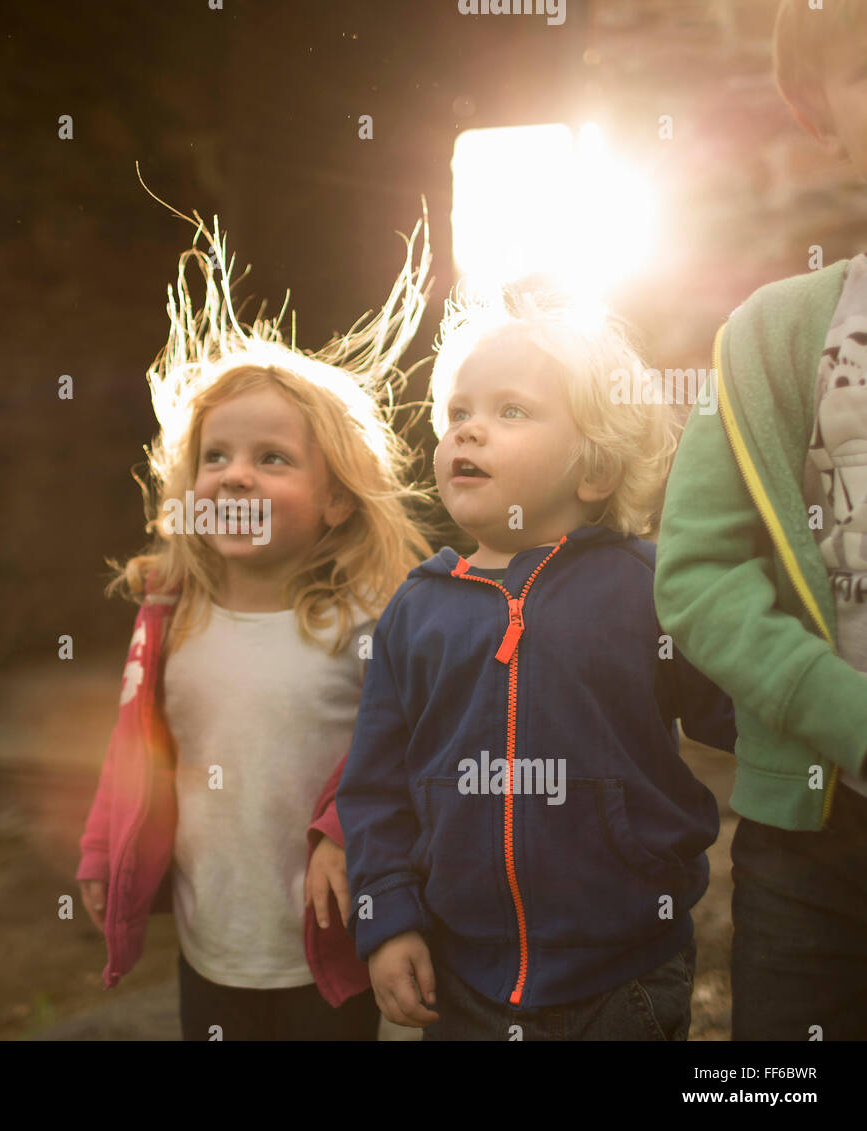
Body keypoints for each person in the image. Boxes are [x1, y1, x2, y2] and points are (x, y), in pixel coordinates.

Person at [76, 194, 442, 1039]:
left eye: (271, 459)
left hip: (326, 943)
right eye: (216, 457)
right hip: (213, 936)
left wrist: (349, 835)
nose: (235, 476)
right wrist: (103, 847)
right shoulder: (174, 614)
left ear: (338, 502)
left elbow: (403, 754)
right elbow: (135, 746)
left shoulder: (364, 622)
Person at [338, 284, 736, 1040]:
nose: (470, 433)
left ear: (594, 471)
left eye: (510, 411)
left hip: (626, 977)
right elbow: (375, 787)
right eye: (458, 413)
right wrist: (386, 918)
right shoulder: (416, 611)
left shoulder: (652, 589)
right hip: (463, 980)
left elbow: (743, 709)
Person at [653, 0, 867, 1041]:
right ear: (820, 114)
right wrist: (843, 713)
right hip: (815, 836)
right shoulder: (773, 333)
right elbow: (698, 574)